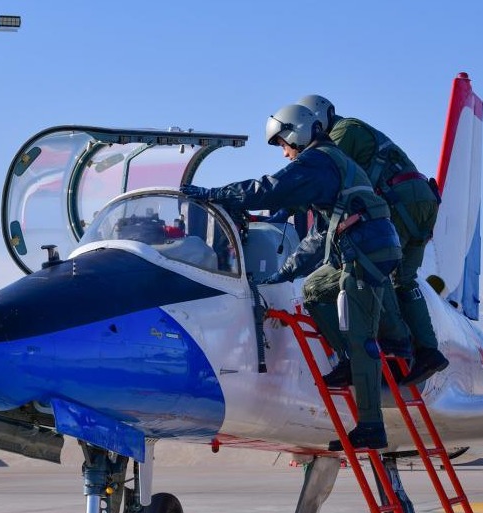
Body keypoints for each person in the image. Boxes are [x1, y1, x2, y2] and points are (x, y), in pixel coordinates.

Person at [180, 104, 402, 450]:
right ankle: (346, 360)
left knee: (361, 334)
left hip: (365, 252)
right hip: (363, 246)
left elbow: (268, 189)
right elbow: (319, 238)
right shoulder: (329, 166)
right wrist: (284, 274)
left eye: (284, 143)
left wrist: (215, 195)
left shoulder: (317, 162)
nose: (284, 152)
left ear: (299, 133)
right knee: (313, 289)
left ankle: (371, 425)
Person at [297, 95, 449, 387]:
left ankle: (394, 341)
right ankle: (428, 351)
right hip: (421, 202)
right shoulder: (355, 129)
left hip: (398, 203)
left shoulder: (341, 134)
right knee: (403, 279)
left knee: (376, 267)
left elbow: (318, 177)